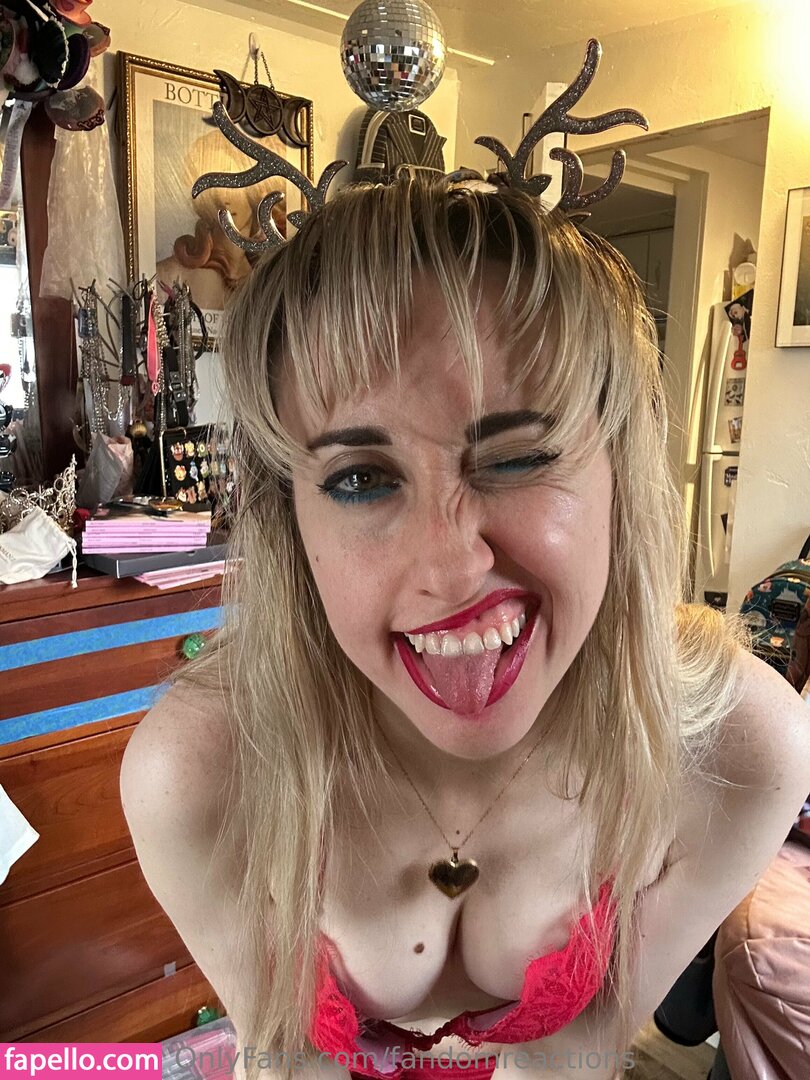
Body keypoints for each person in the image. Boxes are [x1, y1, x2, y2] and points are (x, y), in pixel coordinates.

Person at [120, 173, 810, 1080]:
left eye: (517, 458)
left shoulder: (734, 748)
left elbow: (574, 1062)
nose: (449, 568)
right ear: (291, 519)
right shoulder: (199, 772)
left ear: (620, 470)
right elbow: (286, 1061)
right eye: (361, 478)